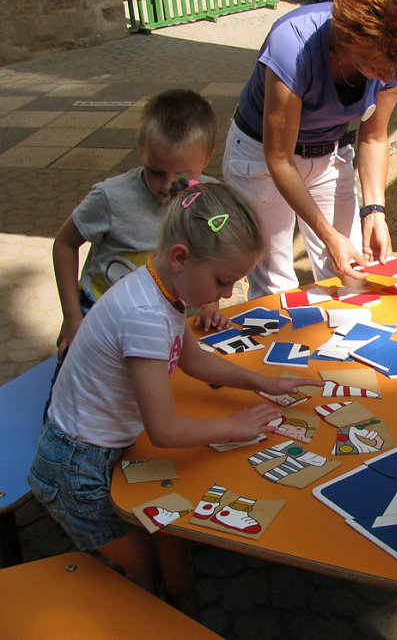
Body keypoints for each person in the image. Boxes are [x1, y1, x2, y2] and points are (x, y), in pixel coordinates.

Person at [29, 181, 323, 589]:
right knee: (154, 571)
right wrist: (233, 426)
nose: (227, 293)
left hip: (99, 445)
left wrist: (261, 381)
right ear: (180, 257)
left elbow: (194, 360)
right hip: (76, 468)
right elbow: (164, 430)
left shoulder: (160, 285)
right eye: (222, 281)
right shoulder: (146, 315)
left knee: (160, 549)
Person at [223, 0, 397, 299]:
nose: (389, 78)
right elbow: (279, 159)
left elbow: (374, 137)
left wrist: (375, 211)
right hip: (261, 157)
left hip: (328, 152)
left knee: (351, 275)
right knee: (276, 286)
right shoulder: (293, 43)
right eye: (380, 67)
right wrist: (327, 234)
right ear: (354, 37)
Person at [52, 89, 228, 362]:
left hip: (164, 321)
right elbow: (65, 244)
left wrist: (210, 303)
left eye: (182, 175)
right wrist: (72, 317)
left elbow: (211, 257)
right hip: (100, 316)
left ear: (207, 158)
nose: (167, 185)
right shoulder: (112, 197)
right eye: (156, 172)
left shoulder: (211, 199)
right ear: (142, 151)